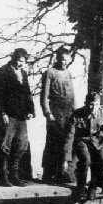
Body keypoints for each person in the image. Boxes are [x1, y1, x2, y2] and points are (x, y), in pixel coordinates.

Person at [0, 48, 36, 187]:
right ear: (13, 58)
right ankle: (2, 175)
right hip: (8, 115)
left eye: (23, 62)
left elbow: (27, 93)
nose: (20, 64)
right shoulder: (2, 72)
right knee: (5, 145)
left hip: (21, 115)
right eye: (18, 60)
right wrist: (2, 113)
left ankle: (14, 175)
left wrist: (30, 109)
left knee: (20, 145)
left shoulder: (23, 73)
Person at [40, 46, 76, 184]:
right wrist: (48, 113)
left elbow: (72, 95)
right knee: (53, 143)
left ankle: (60, 173)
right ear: (57, 58)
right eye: (61, 59)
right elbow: (44, 97)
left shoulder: (68, 73)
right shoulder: (50, 72)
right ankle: (48, 174)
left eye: (66, 60)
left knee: (66, 143)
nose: (64, 62)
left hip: (68, 112)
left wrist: (75, 112)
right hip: (55, 111)